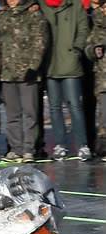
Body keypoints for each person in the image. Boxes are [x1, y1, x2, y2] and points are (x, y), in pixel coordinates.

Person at [38, 0, 91, 161]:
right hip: (50, 64)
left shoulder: (75, 5)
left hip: (70, 63)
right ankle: (61, 144)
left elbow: (83, 29)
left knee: (75, 105)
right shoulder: (41, 6)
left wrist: (77, 49)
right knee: (54, 107)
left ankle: (82, 145)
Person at [0, 0, 49, 162]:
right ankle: (16, 148)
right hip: (7, 73)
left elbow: (40, 41)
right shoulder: (1, 16)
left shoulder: (34, 14)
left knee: (30, 112)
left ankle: (29, 149)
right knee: (12, 114)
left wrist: (34, 66)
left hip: (28, 74)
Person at [85, 0, 106, 161]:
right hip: (103, 78)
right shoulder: (97, 26)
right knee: (104, 115)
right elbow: (88, 48)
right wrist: (94, 50)